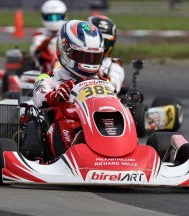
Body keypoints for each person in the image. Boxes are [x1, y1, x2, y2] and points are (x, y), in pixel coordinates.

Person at [33, 19, 104, 158]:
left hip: (95, 127)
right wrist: (57, 96)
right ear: (65, 51)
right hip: (64, 128)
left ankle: (123, 155)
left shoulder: (102, 83)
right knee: (63, 126)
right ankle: (67, 158)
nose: (88, 62)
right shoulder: (49, 78)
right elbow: (39, 99)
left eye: (93, 58)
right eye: (82, 56)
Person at [88, 15, 125, 95]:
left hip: (104, 99)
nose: (101, 46)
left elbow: (115, 86)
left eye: (105, 42)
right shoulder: (78, 59)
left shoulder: (113, 64)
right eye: (98, 40)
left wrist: (99, 76)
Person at [29, 0, 67, 73]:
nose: (54, 21)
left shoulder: (68, 33)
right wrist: (43, 47)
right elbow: (34, 54)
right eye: (51, 18)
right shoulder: (39, 36)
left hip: (67, 66)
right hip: (46, 70)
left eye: (57, 17)